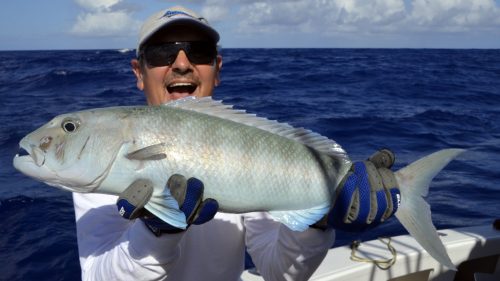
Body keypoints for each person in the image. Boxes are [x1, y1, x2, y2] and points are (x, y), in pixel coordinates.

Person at [73, 5, 400, 281]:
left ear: (217, 70)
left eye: (198, 52)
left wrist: (315, 219)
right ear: (139, 72)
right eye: (162, 53)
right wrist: (156, 231)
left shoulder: (249, 148)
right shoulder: (101, 158)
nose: (182, 63)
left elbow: (279, 271)